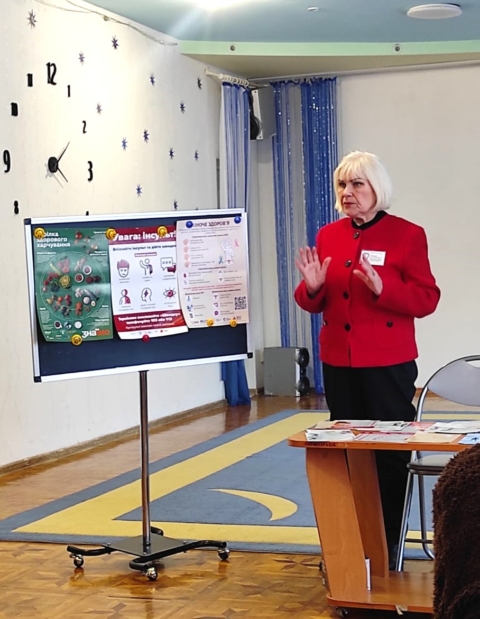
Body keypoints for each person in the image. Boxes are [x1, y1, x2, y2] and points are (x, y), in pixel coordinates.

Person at [294, 150, 440, 569]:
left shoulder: (407, 235)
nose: (348, 192)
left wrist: (383, 289)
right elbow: (315, 300)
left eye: (357, 184)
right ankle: (352, 549)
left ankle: (388, 547)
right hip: (340, 362)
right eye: (343, 184)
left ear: (377, 188)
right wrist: (312, 287)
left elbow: (427, 299)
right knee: (347, 453)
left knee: (388, 455)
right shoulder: (329, 235)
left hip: (388, 364)